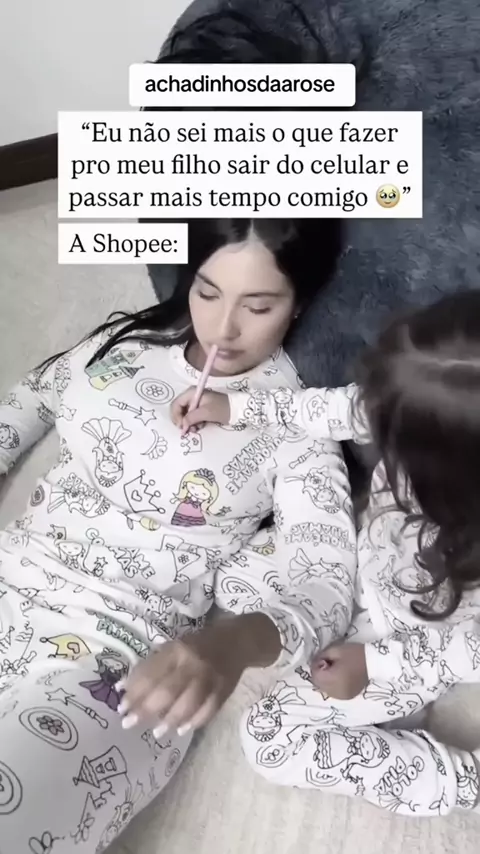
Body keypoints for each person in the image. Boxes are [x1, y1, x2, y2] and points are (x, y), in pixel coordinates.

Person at [0, 217, 357, 853]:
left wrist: (232, 643)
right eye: (207, 292)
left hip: (116, 657)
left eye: (258, 306)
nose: (222, 329)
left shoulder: (299, 423)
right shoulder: (125, 339)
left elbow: (327, 583)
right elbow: (34, 396)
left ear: (300, 302)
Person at [172, 291, 480, 817]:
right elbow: (337, 410)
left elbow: (467, 652)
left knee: (269, 739)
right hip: (365, 559)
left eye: (394, 448)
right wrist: (235, 407)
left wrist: (375, 663)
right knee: (234, 579)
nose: (374, 439)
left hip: (416, 641)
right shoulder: (417, 396)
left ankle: (465, 783)